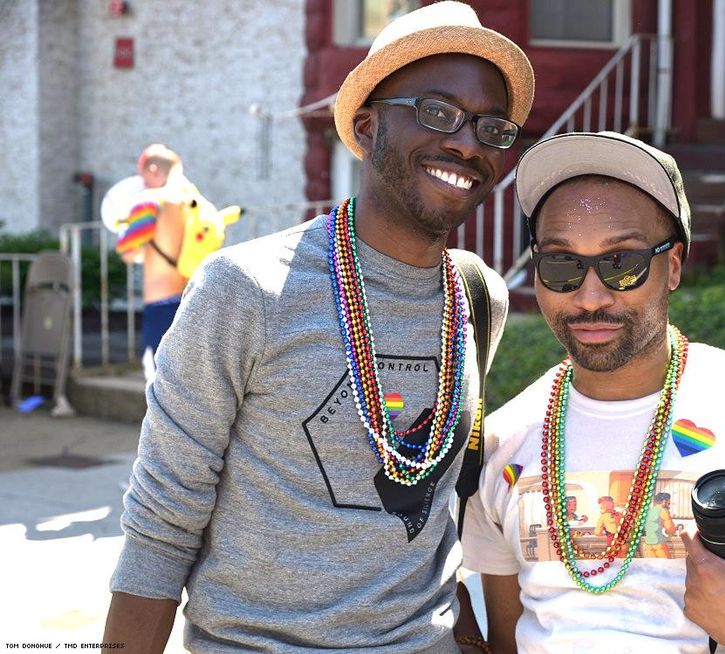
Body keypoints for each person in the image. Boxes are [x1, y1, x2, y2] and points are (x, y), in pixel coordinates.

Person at [102, 3, 533, 653]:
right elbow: (161, 526)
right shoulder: (245, 289)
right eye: (437, 112)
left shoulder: (478, 296)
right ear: (366, 125)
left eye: (491, 127)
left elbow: (443, 506)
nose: (468, 144)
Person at [461, 131, 725, 653]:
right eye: (561, 265)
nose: (590, 298)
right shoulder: (502, 442)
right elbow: (507, 641)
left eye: (622, 264)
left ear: (674, 265)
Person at [113, 143, 192, 383]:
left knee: (159, 377)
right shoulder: (189, 201)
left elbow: (127, 250)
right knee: (185, 374)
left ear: (154, 170)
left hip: (160, 300)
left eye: (143, 175)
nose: (142, 182)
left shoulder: (149, 201)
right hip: (189, 297)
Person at [643, 491, 682, 558]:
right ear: (664, 501)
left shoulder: (650, 511)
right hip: (659, 545)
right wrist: (676, 528)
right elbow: (670, 529)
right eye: (668, 502)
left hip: (648, 546)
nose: (669, 505)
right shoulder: (663, 511)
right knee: (666, 563)